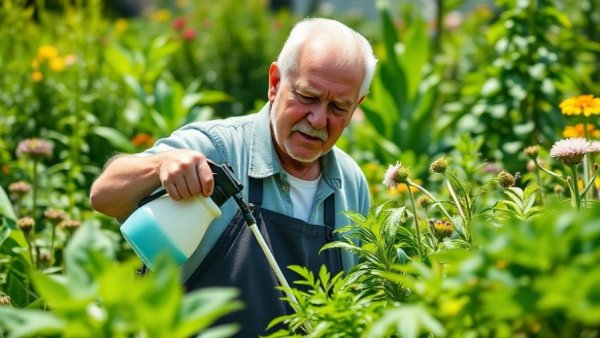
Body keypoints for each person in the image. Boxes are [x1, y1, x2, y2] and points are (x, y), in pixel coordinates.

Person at [89, 17, 377, 336]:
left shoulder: (350, 183)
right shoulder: (217, 149)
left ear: (356, 108)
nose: (318, 119)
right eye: (307, 96)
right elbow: (104, 195)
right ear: (275, 82)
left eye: (338, 107)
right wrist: (160, 166)